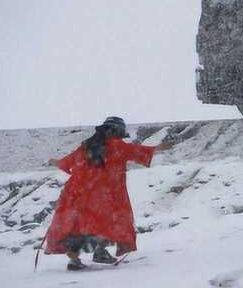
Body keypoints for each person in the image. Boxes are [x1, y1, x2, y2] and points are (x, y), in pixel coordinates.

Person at [45, 116, 173, 271]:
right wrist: (160, 147)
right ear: (117, 131)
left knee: (77, 226)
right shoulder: (118, 146)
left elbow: (67, 162)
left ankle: (74, 260)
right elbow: (139, 151)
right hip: (104, 196)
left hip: (77, 194)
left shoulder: (87, 146)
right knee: (109, 222)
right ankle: (100, 251)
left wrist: (55, 161)